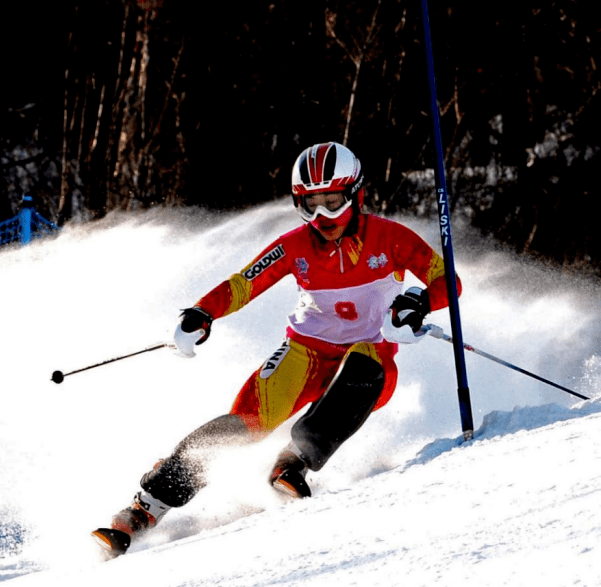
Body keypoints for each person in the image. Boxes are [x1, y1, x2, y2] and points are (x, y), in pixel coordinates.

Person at [92, 142, 462, 556]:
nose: (323, 216)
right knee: (246, 424)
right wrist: (202, 312)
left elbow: (446, 279)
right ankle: (147, 506)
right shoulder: (295, 246)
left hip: (370, 358)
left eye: (333, 201)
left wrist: (419, 301)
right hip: (305, 352)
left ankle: (295, 461)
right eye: (310, 205)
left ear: (356, 194)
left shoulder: (390, 238)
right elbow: (244, 283)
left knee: (365, 363)